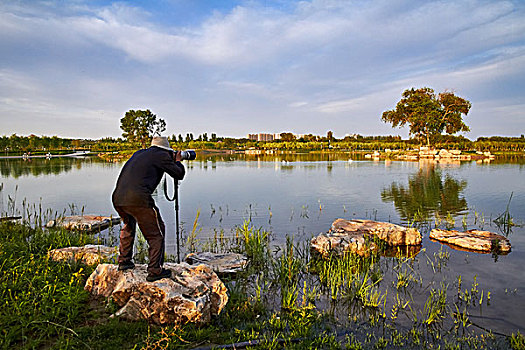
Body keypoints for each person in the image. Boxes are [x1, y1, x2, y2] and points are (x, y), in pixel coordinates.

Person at [112, 136, 185, 282]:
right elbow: (179, 174)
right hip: (139, 199)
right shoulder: (161, 155)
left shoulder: (139, 153)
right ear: (167, 149)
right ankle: (154, 270)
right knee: (156, 234)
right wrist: (177, 160)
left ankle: (124, 262)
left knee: (128, 226)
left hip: (118, 198)